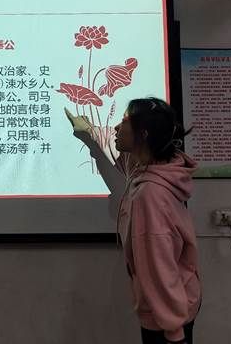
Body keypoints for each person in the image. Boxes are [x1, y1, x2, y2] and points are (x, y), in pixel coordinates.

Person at [73, 97, 202, 344]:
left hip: (168, 320)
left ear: (143, 135)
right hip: (177, 304)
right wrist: (90, 139)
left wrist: (173, 331)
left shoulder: (149, 195)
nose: (115, 128)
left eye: (124, 122)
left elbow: (160, 268)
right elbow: (121, 169)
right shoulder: (158, 168)